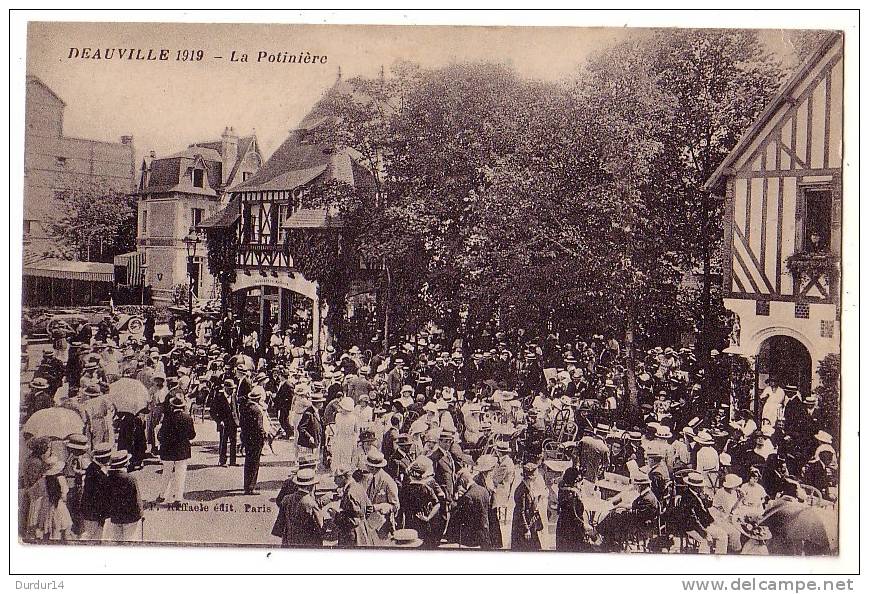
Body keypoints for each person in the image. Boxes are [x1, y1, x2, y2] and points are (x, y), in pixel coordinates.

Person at [450, 455, 500, 549]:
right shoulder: (478, 480)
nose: (493, 471)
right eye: (491, 469)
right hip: (483, 511)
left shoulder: (489, 479)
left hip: (490, 509)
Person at [156, 395, 196, 503]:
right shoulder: (188, 418)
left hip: (168, 449)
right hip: (182, 450)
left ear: (172, 406)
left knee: (166, 472)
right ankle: (178, 498)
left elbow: (161, 435)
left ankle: (162, 495)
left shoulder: (167, 418)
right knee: (180, 474)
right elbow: (192, 435)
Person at [398, 456, 443, 549]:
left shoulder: (405, 489)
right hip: (423, 521)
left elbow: (401, 508)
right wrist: (428, 517)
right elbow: (437, 504)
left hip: (409, 522)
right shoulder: (426, 488)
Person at [272, 468, 324, 548]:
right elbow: (320, 526)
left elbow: (281, 520)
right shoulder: (311, 504)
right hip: (307, 543)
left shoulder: (286, 498)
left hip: (289, 540)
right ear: (311, 486)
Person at [360, 450, 400, 541]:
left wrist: (379, 507)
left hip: (382, 525)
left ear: (373, 467)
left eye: (367, 465)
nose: (365, 466)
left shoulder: (388, 481)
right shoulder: (369, 477)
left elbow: (395, 506)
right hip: (369, 522)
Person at [104, 450, 144, 542]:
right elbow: (136, 499)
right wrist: (141, 514)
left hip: (115, 517)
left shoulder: (108, 479)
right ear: (125, 464)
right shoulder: (131, 479)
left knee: (117, 541)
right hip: (130, 517)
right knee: (130, 542)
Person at [78, 443, 113, 541]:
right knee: (90, 536)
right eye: (108, 457)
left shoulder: (94, 468)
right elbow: (100, 496)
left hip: (94, 512)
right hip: (94, 513)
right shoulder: (97, 472)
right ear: (104, 458)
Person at [334, 468, 375, 547]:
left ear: (343, 477)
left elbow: (353, 520)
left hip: (352, 536)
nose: (334, 481)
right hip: (362, 531)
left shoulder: (350, 493)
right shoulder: (358, 487)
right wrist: (362, 520)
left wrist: (336, 515)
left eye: (336, 478)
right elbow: (369, 507)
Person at [239, 388, 266, 495]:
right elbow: (260, 427)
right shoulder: (257, 410)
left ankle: (247, 485)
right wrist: (264, 436)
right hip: (256, 439)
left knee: (248, 462)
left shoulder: (245, 408)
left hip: (246, 437)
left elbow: (241, 423)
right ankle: (251, 487)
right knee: (254, 463)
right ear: (259, 399)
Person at [511, 462, 544, 551]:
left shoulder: (529, 486)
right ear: (531, 477)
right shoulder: (522, 490)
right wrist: (526, 529)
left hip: (529, 523)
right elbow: (521, 512)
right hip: (522, 526)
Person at [555, 466, 586, 551]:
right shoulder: (573, 494)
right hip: (572, 526)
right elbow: (579, 510)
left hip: (562, 522)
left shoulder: (561, 489)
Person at [210, 378, 239, 467]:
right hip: (224, 423)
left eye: (233, 389)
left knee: (233, 441)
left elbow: (236, 409)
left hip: (233, 423)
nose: (232, 390)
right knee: (223, 442)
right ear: (225, 388)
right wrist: (219, 421)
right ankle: (222, 461)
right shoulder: (218, 397)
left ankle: (233, 461)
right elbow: (212, 411)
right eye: (230, 389)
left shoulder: (234, 396)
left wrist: (238, 421)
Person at [331, 396, 359, 473]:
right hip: (340, 439)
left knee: (346, 457)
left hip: (348, 440)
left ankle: (345, 473)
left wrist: (354, 440)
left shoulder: (353, 418)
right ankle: (338, 473)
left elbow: (356, 431)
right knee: (338, 457)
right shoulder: (338, 416)